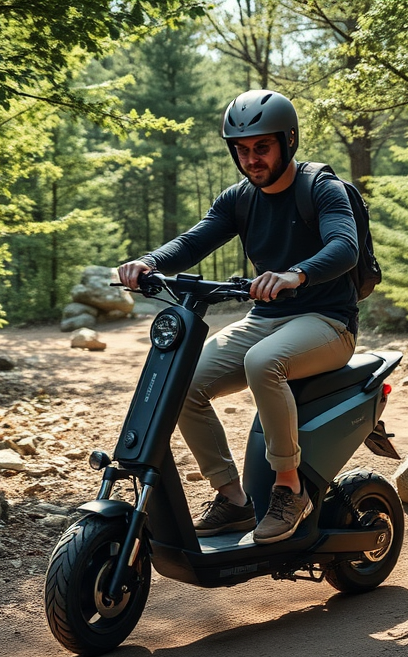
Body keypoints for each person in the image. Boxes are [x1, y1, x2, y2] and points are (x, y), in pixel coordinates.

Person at [117, 89, 360, 545]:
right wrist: (149, 261)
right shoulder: (240, 199)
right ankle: (233, 498)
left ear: (288, 141)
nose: (252, 159)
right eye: (242, 150)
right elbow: (194, 240)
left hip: (328, 322)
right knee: (183, 384)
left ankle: (290, 489)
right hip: (267, 319)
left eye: (261, 147)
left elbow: (345, 248)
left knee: (263, 363)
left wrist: (296, 275)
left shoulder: (321, 189)